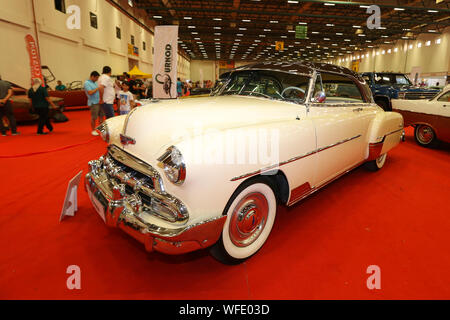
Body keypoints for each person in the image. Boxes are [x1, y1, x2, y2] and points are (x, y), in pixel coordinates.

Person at [84, 71, 103, 136]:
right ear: (92, 76)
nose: (97, 79)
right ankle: (93, 130)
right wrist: (98, 88)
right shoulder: (86, 83)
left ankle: (101, 130)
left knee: (101, 116)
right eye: (96, 78)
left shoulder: (95, 83)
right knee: (94, 117)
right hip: (93, 102)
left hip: (99, 101)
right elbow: (90, 92)